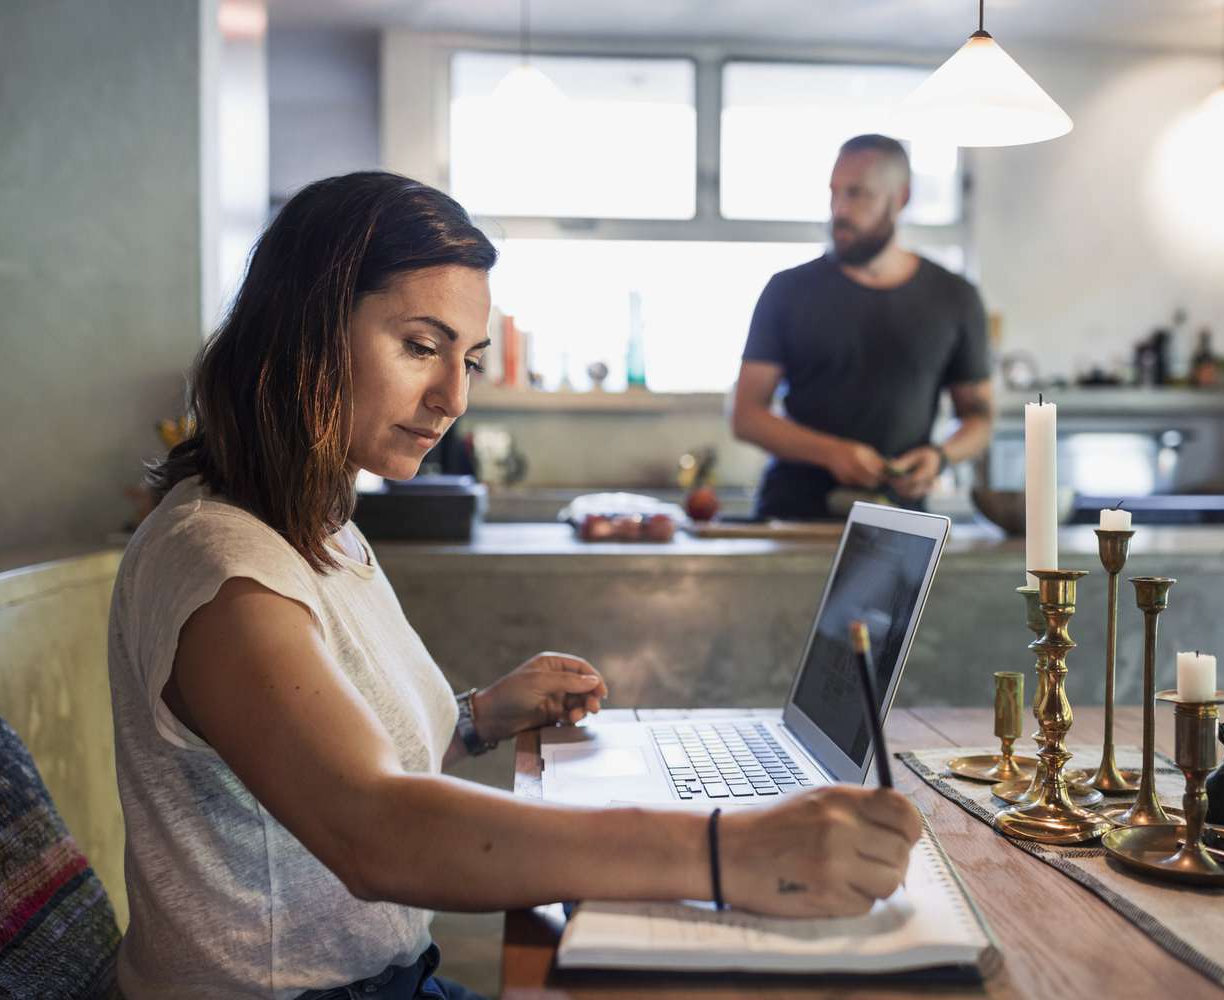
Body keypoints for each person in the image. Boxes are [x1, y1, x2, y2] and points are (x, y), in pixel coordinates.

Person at [108, 171, 923, 999]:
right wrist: (732, 850)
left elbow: (320, 750)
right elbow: (374, 830)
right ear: (303, 331)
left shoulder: (317, 527)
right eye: (421, 347)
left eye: (468, 358)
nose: (454, 397)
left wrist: (479, 714)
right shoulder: (220, 565)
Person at [731, 134, 995, 520]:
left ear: (900, 198)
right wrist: (832, 453)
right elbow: (746, 415)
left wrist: (940, 457)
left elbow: (979, 417)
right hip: (793, 518)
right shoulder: (786, 291)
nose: (839, 209)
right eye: (834, 192)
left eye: (858, 194)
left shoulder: (955, 297)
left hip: (902, 521)